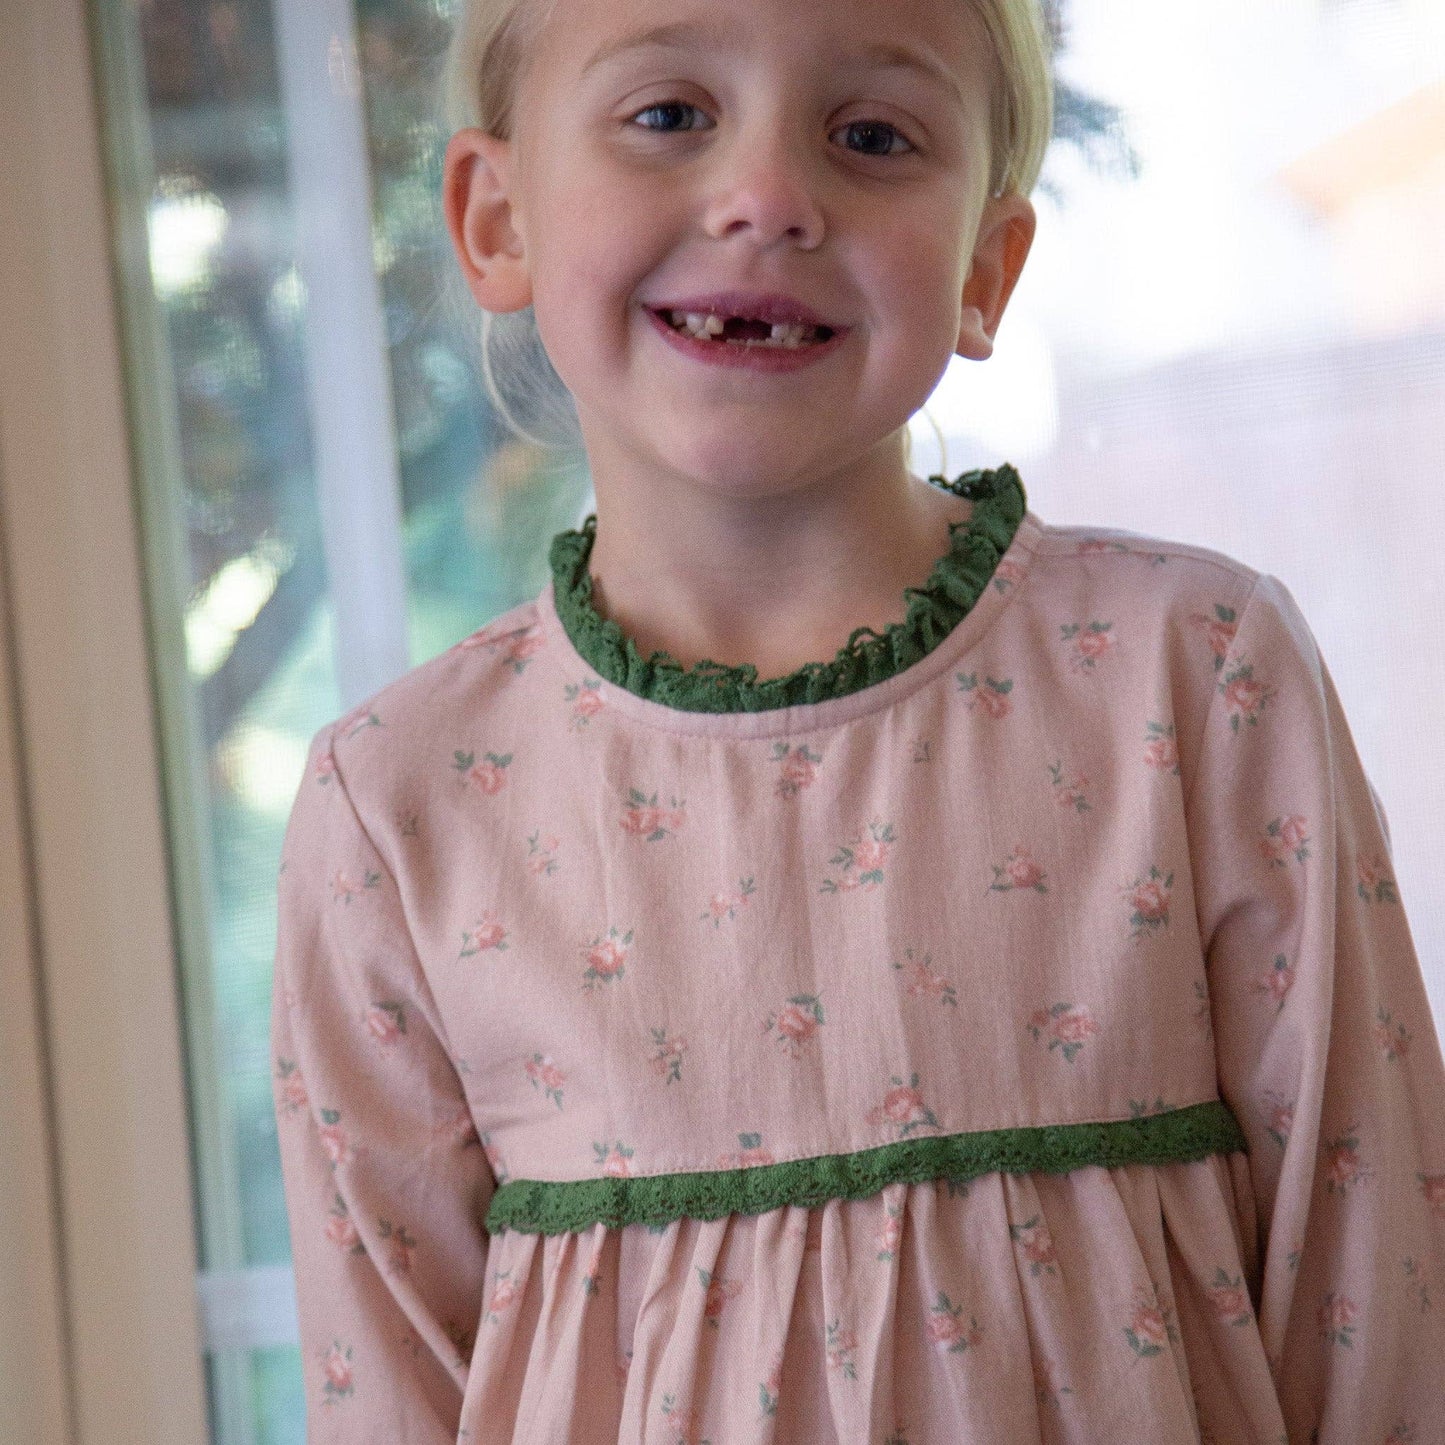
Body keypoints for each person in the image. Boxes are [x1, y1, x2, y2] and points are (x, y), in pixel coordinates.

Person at [270, 0, 1445, 1437]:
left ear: (985, 267)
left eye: (873, 135)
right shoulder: (399, 796)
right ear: (495, 216)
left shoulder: (1192, 672)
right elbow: (388, 1384)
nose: (767, 197)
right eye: (667, 116)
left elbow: (1376, 1275)